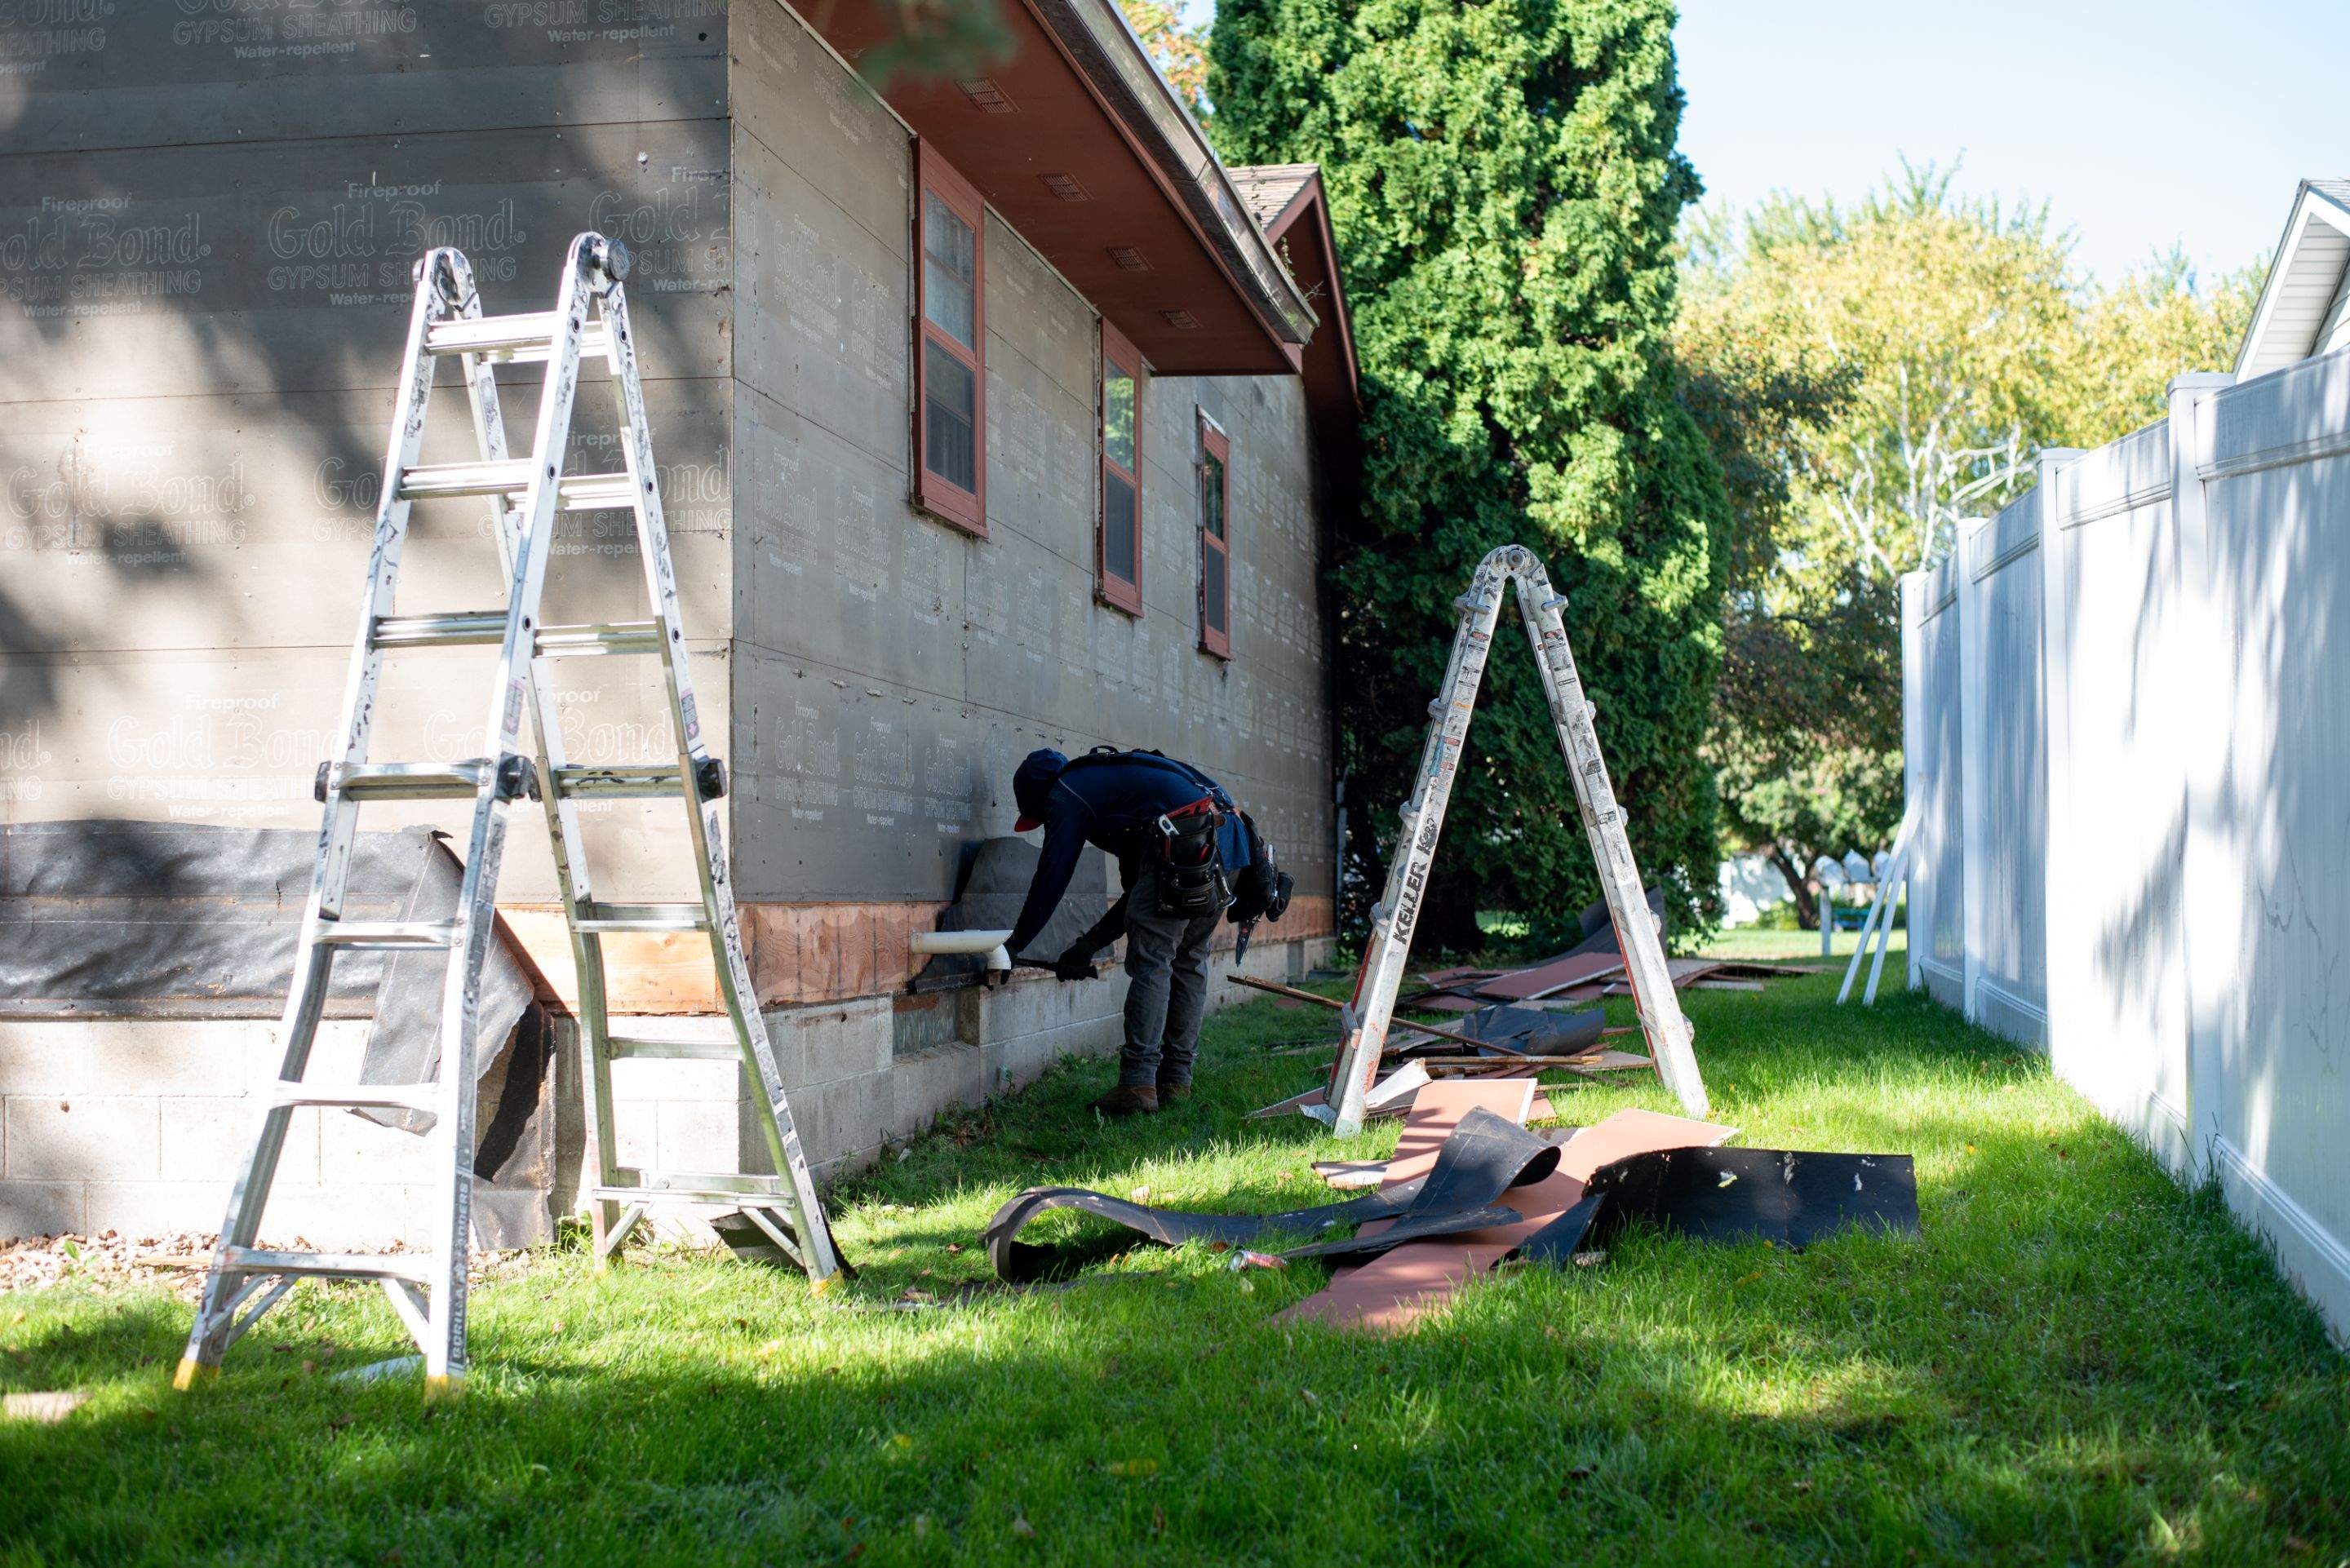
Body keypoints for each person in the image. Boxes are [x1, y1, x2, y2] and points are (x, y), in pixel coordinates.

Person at [1003, 746, 1256, 1117]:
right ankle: (1175, 1080)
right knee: (1187, 960)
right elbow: (1141, 893)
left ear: (1040, 797)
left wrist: (1013, 946)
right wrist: (1087, 945)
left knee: (1153, 960)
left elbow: (1052, 879)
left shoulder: (1065, 793)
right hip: (1226, 844)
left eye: (1041, 818)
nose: (1049, 823)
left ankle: (1138, 1083)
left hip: (1190, 840)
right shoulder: (1113, 786)